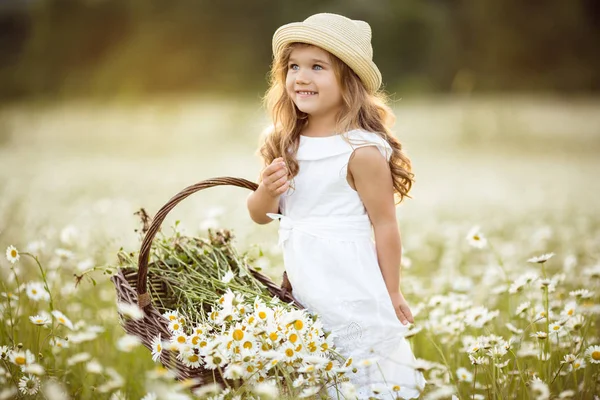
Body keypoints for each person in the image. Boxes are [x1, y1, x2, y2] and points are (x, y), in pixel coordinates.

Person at [246, 12, 427, 399]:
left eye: (317, 67)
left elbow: (385, 225)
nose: (301, 77)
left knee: (363, 373)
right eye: (294, 66)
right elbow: (260, 215)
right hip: (306, 285)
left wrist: (392, 291)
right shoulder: (282, 141)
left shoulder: (360, 151)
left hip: (353, 285)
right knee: (318, 375)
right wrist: (265, 190)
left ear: (349, 82)